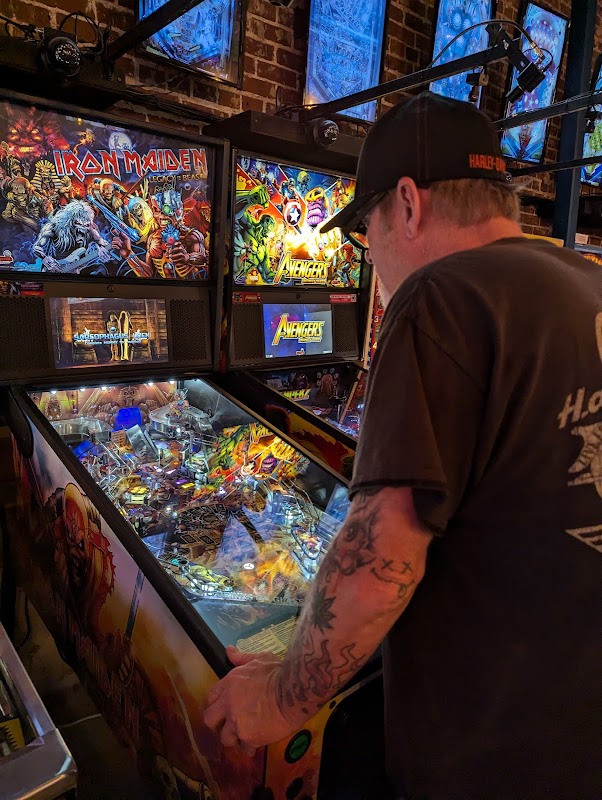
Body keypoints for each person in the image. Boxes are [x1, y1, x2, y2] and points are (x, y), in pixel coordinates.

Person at [204, 92, 601, 799]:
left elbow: (381, 561)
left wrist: (277, 699)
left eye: (367, 228)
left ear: (409, 204)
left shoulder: (443, 295)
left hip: (486, 756)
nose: (371, 256)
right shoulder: (586, 283)